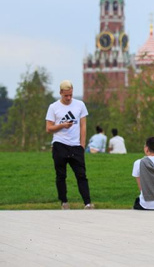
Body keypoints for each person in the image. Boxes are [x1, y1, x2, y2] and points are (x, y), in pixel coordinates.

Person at [45, 80, 94, 210]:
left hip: (76, 145)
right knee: (61, 175)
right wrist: (62, 125)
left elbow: (83, 126)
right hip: (59, 144)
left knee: (81, 175)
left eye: (70, 95)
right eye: (66, 95)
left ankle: (87, 203)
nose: (68, 98)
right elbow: (49, 128)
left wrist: (82, 145)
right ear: (60, 93)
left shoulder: (80, 105)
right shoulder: (53, 107)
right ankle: (64, 202)